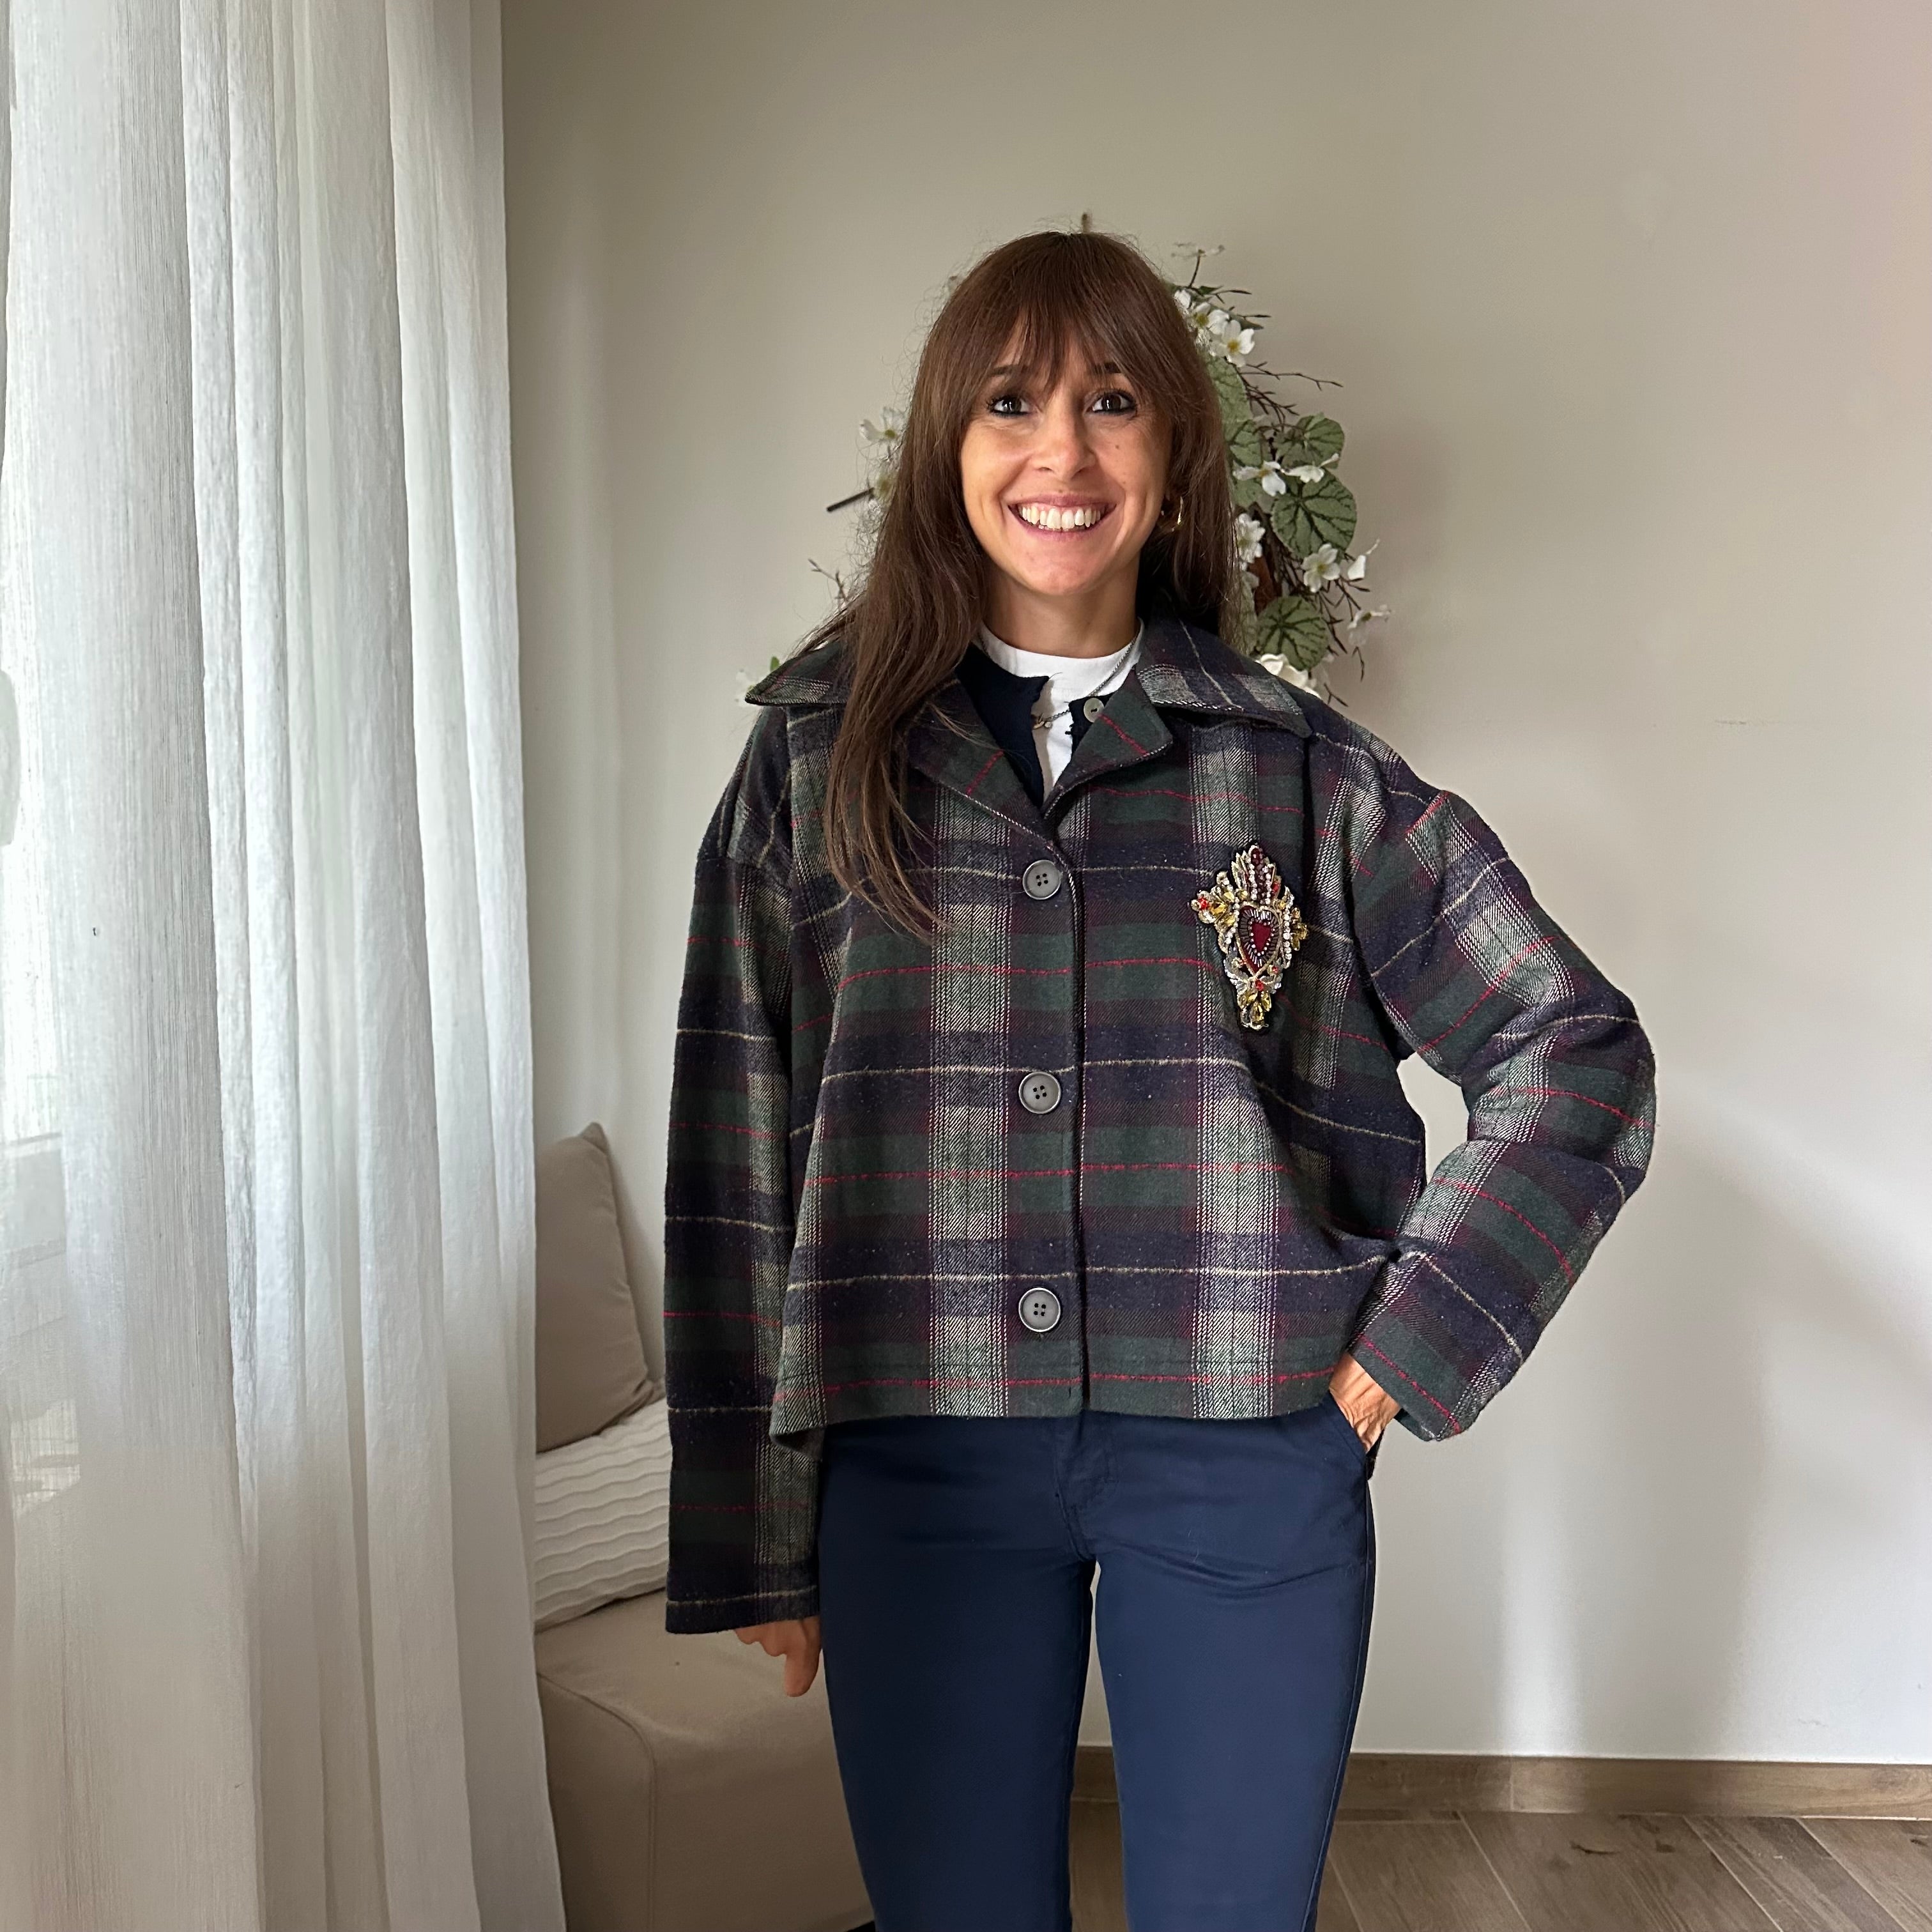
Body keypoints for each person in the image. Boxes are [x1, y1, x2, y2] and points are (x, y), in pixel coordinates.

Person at [661, 227, 1655, 1932]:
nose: (1061, 451)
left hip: (1247, 1448)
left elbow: (1574, 1052)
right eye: (1010, 404)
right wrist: (753, 1527)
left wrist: (1395, 1360)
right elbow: (732, 1142)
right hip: (919, 1446)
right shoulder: (814, 763)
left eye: (1112, 402)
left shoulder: (1307, 774)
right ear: (944, 448)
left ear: (1177, 455)